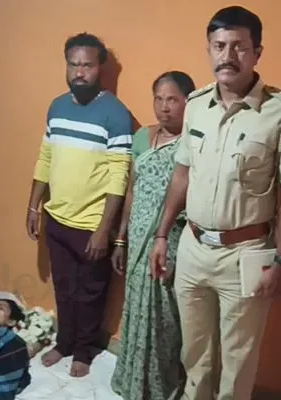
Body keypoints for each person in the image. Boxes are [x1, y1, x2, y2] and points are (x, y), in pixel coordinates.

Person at [149, 6, 281, 399]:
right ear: (209, 50)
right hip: (193, 249)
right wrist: (161, 236)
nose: (227, 55)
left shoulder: (276, 113)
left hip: (246, 254)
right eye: (219, 46)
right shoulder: (195, 105)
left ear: (257, 53)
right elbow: (182, 175)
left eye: (239, 46)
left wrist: (279, 260)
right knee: (195, 355)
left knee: (238, 361)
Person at [26, 32, 133, 377]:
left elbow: (119, 176)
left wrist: (105, 230)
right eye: (73, 64)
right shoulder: (56, 107)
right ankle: (65, 342)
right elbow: (45, 157)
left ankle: (84, 350)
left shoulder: (115, 114)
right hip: (57, 218)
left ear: (100, 68)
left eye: (87, 65)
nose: (79, 72)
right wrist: (33, 206)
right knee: (64, 288)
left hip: (92, 225)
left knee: (90, 293)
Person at [110, 71, 195, 400]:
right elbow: (132, 190)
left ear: (188, 102)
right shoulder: (142, 138)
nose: (164, 107)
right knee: (136, 306)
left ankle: (162, 386)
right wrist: (121, 238)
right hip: (137, 237)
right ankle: (133, 380)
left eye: (172, 99)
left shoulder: (194, 142)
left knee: (164, 315)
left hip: (170, 240)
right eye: (158, 99)